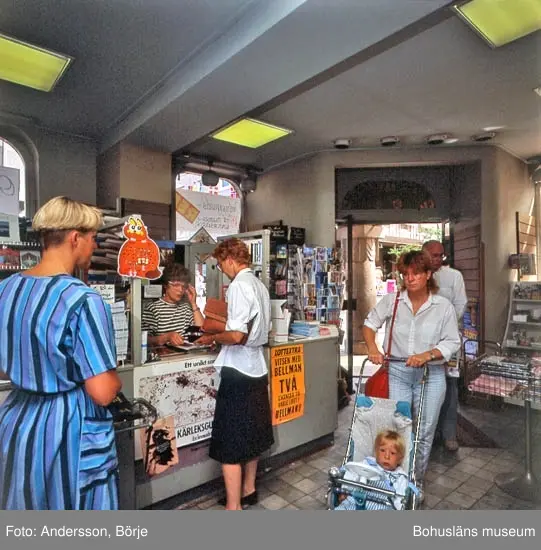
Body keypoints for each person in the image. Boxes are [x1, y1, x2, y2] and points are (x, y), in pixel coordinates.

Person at [0, 196, 122, 510]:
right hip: (67, 430)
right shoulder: (84, 301)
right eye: (93, 238)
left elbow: (6, 363)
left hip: (16, 422)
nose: (94, 246)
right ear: (75, 238)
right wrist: (114, 379)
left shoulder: (6, 290)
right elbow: (103, 392)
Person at [362, 250, 460, 502]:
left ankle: (415, 481)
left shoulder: (443, 307)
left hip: (432, 375)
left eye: (416, 273)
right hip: (398, 373)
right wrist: (372, 348)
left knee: (425, 432)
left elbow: (452, 341)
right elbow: (369, 324)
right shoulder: (393, 301)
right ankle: (396, 480)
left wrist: (428, 354)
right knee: (400, 428)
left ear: (428, 274)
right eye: (406, 273)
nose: (410, 278)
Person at [196, 238, 273, 510]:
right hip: (257, 369)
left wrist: (212, 337)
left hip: (238, 371)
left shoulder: (239, 285)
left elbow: (237, 335)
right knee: (251, 435)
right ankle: (248, 490)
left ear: (230, 259)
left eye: (220, 264)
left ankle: (233, 507)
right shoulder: (259, 285)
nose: (222, 269)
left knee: (229, 441)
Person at [422, 240, 467, 452]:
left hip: (447, 341)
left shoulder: (454, 276)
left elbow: (460, 304)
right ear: (423, 254)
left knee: (450, 387)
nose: (438, 259)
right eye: (434, 255)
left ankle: (449, 434)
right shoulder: (417, 275)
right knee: (423, 386)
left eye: (441, 255)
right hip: (422, 343)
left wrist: (443, 327)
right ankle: (425, 434)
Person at [335, 430, 408, 510]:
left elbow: (400, 499)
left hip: (381, 507)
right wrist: (345, 490)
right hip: (354, 501)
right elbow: (352, 472)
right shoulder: (368, 463)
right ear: (376, 452)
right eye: (382, 450)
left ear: (400, 458)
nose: (387, 456)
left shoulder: (400, 477)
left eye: (392, 453)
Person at [142, 263, 204, 348]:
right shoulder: (153, 309)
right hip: (164, 355)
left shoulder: (185, 308)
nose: (180, 290)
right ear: (165, 285)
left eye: (184, 286)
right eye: (176, 285)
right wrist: (166, 337)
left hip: (185, 354)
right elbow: (144, 339)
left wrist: (193, 303)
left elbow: (200, 332)